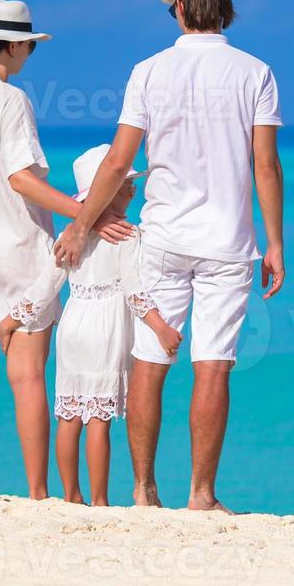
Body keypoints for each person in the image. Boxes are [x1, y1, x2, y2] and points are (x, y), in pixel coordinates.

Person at [54, 0, 285, 513]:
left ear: (179, 8)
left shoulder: (149, 71)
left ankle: (142, 490)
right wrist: (274, 243)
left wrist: (82, 224)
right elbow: (266, 166)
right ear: (224, 8)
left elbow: (117, 160)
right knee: (213, 364)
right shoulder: (256, 72)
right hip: (228, 241)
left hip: (162, 238)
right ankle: (201, 495)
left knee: (149, 362)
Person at [0, 0, 133, 500]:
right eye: (29, 46)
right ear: (16, 45)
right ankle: (39, 494)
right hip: (19, 250)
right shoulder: (11, 100)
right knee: (26, 380)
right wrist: (87, 215)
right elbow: (20, 179)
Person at [50, 143, 182, 506]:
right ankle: (99, 500)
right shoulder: (127, 234)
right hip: (103, 332)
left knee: (69, 413)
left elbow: (48, 281)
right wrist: (161, 328)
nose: (133, 188)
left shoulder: (70, 233)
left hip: (73, 325)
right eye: (124, 184)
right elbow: (133, 290)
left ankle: (70, 495)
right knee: (98, 419)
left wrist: (16, 315)